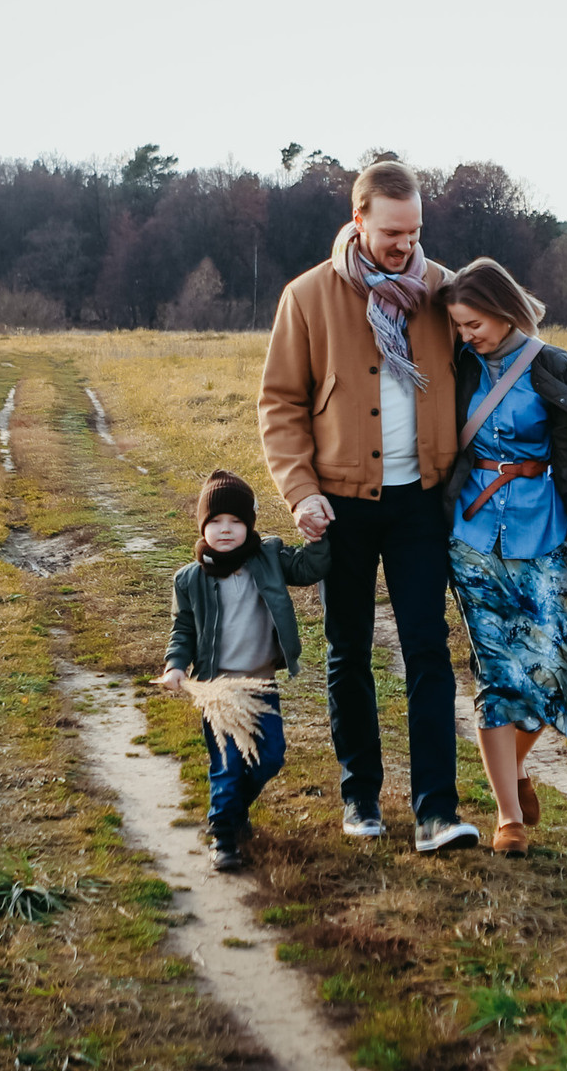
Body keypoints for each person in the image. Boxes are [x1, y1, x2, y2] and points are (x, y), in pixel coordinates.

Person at [257, 161, 481, 854]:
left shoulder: (443, 291)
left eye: (414, 232)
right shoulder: (308, 297)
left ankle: (436, 811)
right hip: (340, 505)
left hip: (421, 505)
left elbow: (495, 350)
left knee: (427, 650)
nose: (403, 246)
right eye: (390, 232)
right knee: (348, 651)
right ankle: (360, 796)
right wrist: (301, 492)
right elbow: (281, 404)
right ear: (359, 220)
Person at [438, 257, 567, 856]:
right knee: (497, 674)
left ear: (504, 311)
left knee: (549, 672)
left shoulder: (554, 366)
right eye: (457, 325)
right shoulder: (457, 367)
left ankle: (519, 770)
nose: (465, 335)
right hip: (470, 536)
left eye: (473, 324)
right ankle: (508, 816)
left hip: (544, 533)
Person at [159, 470, 332, 871]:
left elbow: (307, 569)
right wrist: (175, 665)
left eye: (235, 522)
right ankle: (223, 835)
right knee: (227, 763)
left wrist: (317, 540)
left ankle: (235, 810)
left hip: (261, 685)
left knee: (268, 758)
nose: (225, 530)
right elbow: (182, 629)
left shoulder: (268, 557)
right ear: (203, 526)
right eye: (215, 522)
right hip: (218, 690)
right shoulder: (190, 579)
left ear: (248, 525)